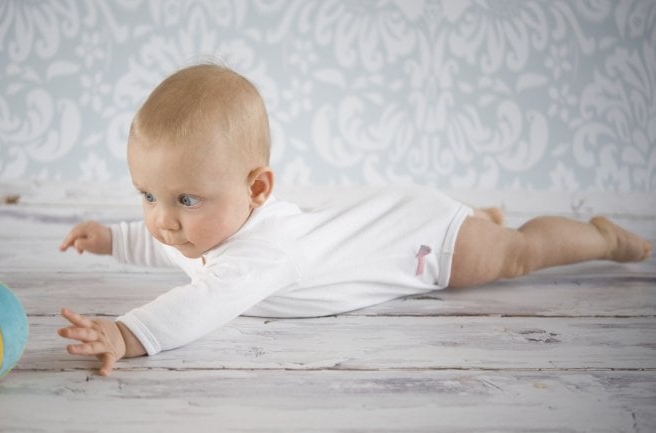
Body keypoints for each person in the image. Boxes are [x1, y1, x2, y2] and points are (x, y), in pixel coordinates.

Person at [57, 64, 653, 376]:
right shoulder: (191, 230)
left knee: (514, 253)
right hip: (392, 216)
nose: (163, 220)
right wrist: (114, 238)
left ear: (257, 188)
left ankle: (598, 236)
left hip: (425, 245)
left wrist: (126, 334)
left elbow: (195, 310)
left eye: (185, 199)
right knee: (487, 231)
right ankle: (481, 217)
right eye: (146, 194)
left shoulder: (262, 255)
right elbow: (159, 243)